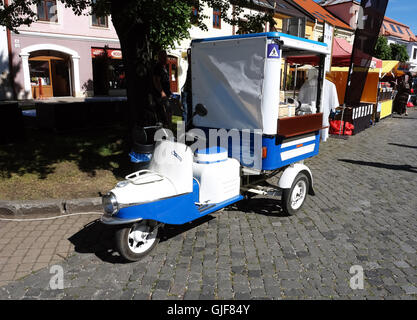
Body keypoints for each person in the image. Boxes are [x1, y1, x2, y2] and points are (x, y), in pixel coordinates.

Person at [152, 50, 172, 126]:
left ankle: (167, 126)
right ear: (160, 57)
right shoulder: (158, 67)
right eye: (165, 56)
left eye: (166, 56)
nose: (166, 58)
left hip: (165, 93)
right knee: (166, 111)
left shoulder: (163, 67)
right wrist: (162, 92)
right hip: (161, 95)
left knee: (168, 111)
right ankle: (166, 126)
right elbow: (156, 81)